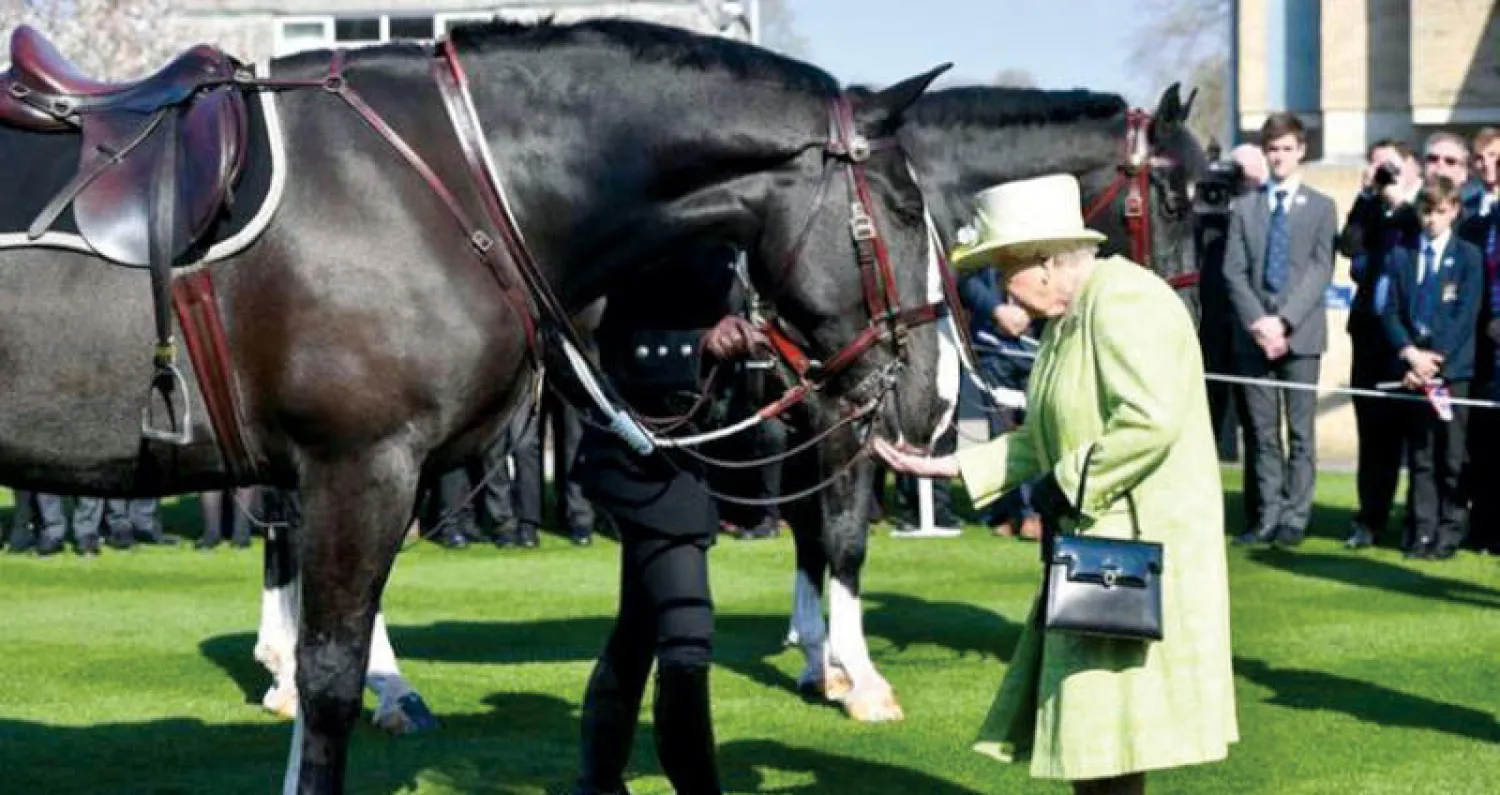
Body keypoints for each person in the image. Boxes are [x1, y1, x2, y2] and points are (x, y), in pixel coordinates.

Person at [873, 174, 1236, 794]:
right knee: (1092, 740)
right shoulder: (1072, 317)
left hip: (1130, 556)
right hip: (1100, 553)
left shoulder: (1126, 301)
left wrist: (1060, 489)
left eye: (1002, 270)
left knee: (1108, 740)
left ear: (1042, 263)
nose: (1001, 289)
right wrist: (955, 465)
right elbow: (1052, 433)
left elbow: (1149, 420)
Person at [571, 242, 764, 795]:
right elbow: (619, 350)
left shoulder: (728, 249)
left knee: (639, 628)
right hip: (643, 459)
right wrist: (698, 345)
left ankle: (598, 782)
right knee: (686, 632)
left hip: (692, 461)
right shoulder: (650, 244)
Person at [1222, 113, 1338, 547]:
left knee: (1301, 432)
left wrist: (1284, 321)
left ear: (1301, 151)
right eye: (1272, 149)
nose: (1279, 157)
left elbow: (1320, 269)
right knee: (1262, 433)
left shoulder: (1322, 207)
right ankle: (1267, 516)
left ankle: (1295, 517)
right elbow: (1233, 271)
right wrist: (1260, 323)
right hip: (1254, 339)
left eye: (1287, 149)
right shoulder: (1245, 207)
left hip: (1301, 335)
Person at [1381, 176, 1483, 560]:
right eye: (1426, 211)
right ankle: (1421, 531)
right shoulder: (1402, 255)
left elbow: (1464, 316)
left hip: (1452, 374)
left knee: (1452, 456)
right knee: (1421, 456)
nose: (1432, 220)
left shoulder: (1468, 257)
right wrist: (1410, 354)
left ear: (1454, 211)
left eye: (1440, 212)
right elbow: (1390, 310)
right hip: (1413, 370)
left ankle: (1449, 530)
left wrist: (1433, 362)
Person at [1338, 138, 1423, 549]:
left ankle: (1417, 525)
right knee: (1373, 437)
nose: (1384, 172)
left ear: (1410, 165)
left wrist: (1398, 199)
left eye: (1390, 164)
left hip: (1412, 338)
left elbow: (1418, 237)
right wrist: (1364, 194)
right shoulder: (1369, 207)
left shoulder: (1423, 206)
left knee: (1418, 438)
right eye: (1378, 166)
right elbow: (1348, 246)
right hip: (1370, 335)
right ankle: (1369, 519)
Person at [1461, 127, 1500, 553]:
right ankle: (1484, 527)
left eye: (1497, 158)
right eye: (1482, 159)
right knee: (1482, 440)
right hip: (1479, 343)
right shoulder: (1468, 213)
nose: (1488, 168)